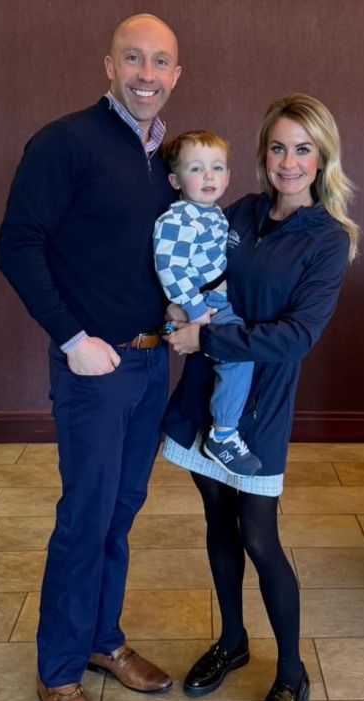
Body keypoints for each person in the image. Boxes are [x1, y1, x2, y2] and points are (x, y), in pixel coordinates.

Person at [0, 14, 180, 701]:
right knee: (86, 515)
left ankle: (104, 637)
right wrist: (72, 339)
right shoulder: (64, 143)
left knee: (122, 509)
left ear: (175, 75)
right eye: (133, 58)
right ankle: (61, 671)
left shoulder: (169, 156)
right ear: (108, 67)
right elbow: (16, 245)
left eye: (160, 62)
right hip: (94, 369)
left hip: (150, 361)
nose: (146, 73)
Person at [162, 95, 359, 701]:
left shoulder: (328, 238)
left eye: (303, 148)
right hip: (203, 397)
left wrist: (206, 340)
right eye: (278, 147)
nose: (289, 161)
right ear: (262, 154)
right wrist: (174, 309)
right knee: (216, 520)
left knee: (260, 536)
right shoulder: (238, 213)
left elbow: (298, 335)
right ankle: (232, 641)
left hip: (260, 408)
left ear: (322, 155)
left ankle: (292, 673)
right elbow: (194, 272)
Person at [152, 131, 260, 478]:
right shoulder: (177, 219)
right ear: (176, 180)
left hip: (216, 295)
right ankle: (223, 435)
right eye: (196, 169)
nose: (209, 176)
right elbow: (170, 267)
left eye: (217, 168)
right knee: (239, 355)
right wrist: (196, 312)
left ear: (228, 176)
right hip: (204, 300)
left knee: (238, 355)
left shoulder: (212, 214)